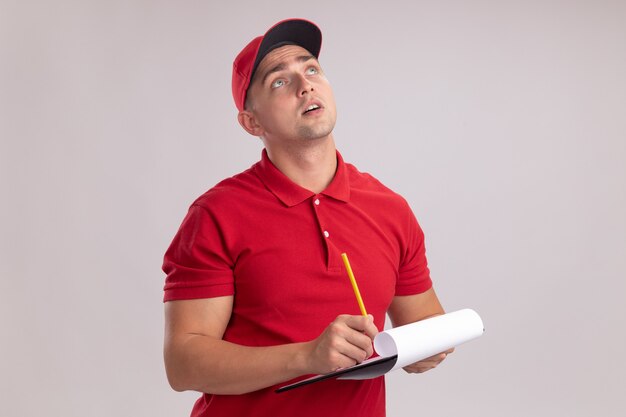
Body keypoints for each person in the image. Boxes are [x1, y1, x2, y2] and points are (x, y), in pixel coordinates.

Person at [162, 18, 452, 417]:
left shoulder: (390, 209)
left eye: (311, 68)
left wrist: (428, 346)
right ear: (252, 123)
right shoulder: (216, 214)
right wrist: (307, 357)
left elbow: (424, 321)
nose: (305, 85)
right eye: (279, 81)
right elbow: (182, 364)